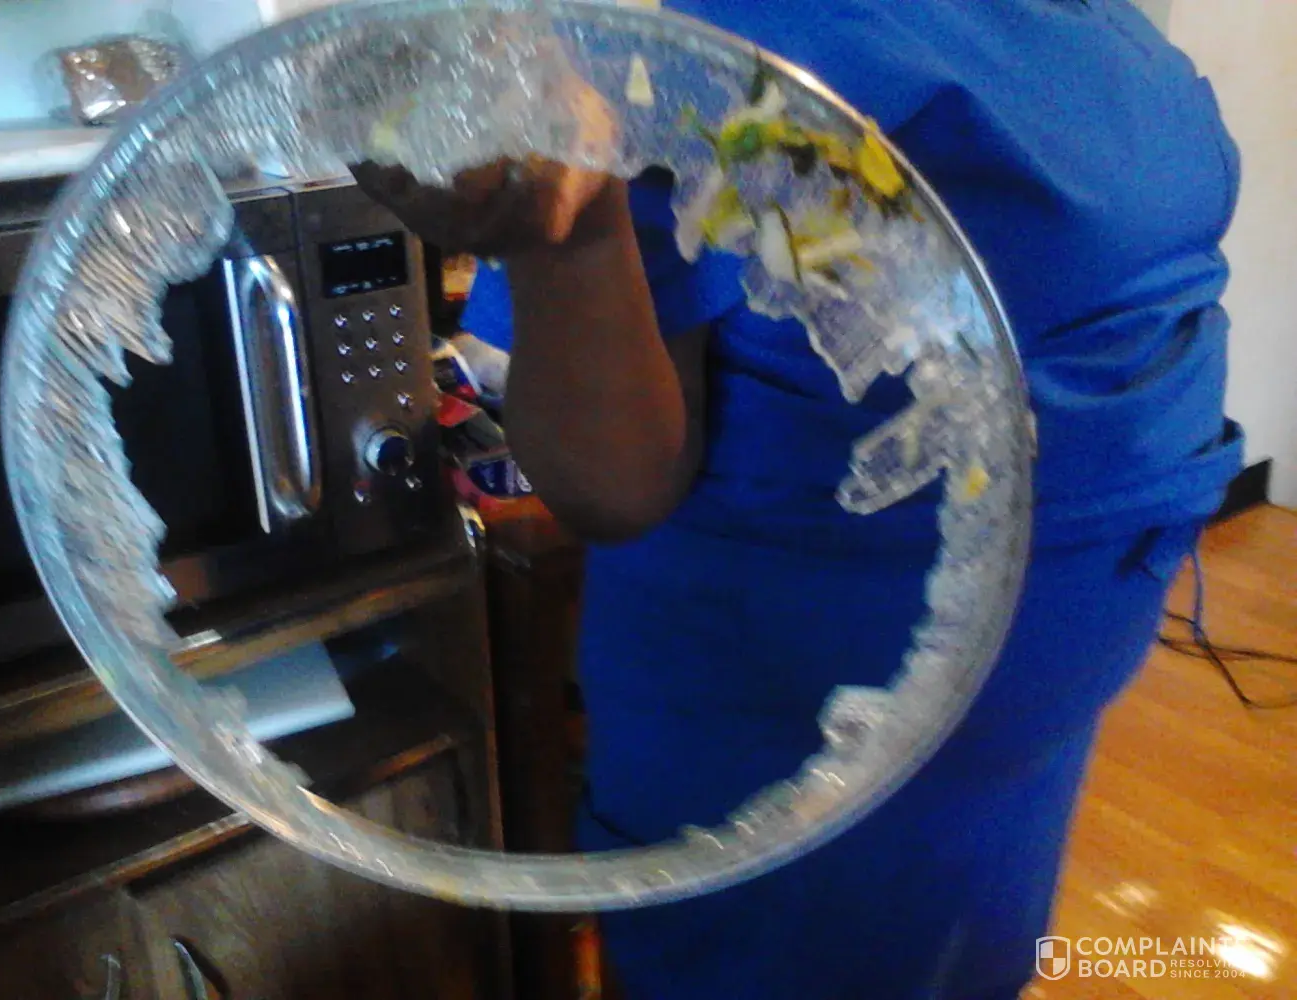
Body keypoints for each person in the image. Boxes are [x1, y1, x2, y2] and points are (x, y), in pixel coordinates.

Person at [353, 0, 1243, 996]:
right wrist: (566, 238)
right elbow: (612, 478)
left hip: (1017, 768)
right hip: (780, 767)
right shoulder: (684, 38)